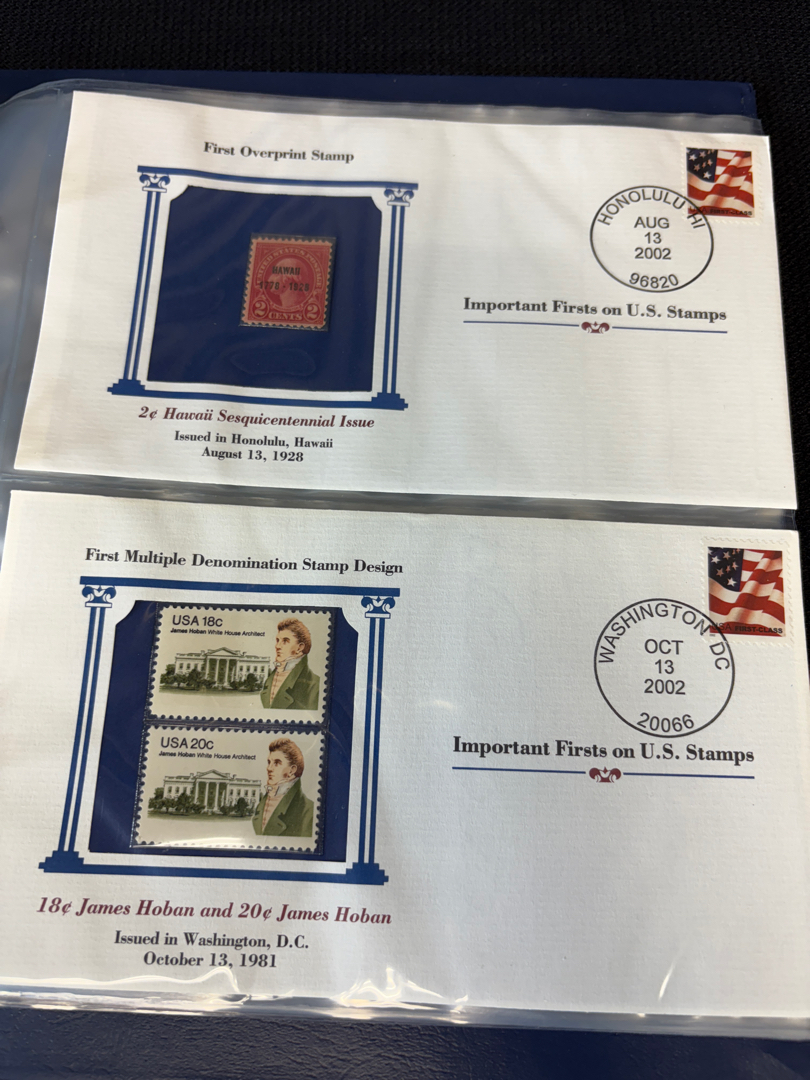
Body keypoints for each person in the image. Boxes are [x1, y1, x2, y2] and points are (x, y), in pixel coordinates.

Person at [252, 738, 314, 838]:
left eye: (277, 763)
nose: (269, 768)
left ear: (292, 770)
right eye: (269, 762)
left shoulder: (308, 812)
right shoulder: (263, 802)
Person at [260, 618, 320, 710]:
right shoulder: (270, 678)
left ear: (300, 648)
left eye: (285, 641)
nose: (277, 646)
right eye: (278, 640)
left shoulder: (314, 685)